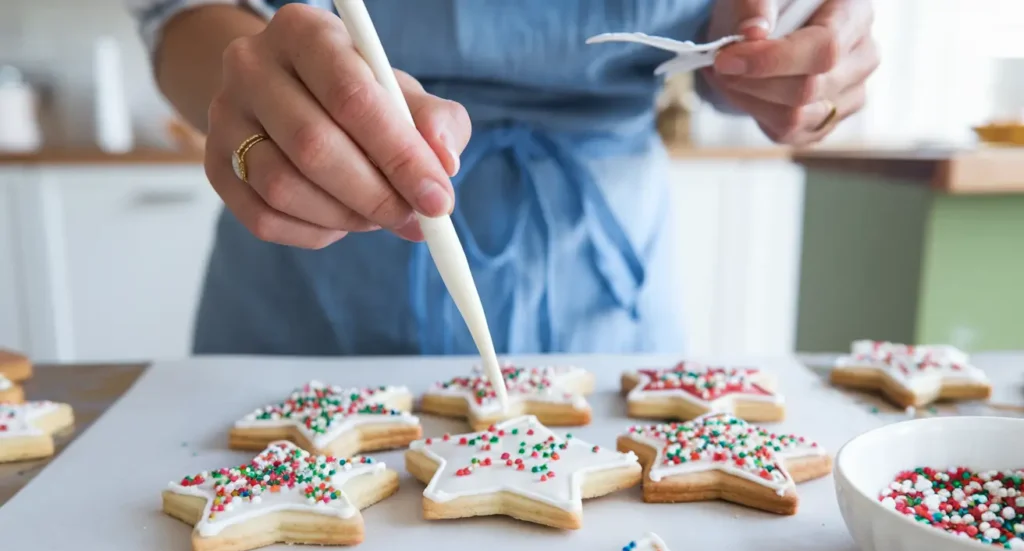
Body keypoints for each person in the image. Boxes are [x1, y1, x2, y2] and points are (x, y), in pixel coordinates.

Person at [127, 0, 877, 357]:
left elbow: (770, 30)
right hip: (313, 290)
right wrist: (258, 91)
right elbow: (181, 14)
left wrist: (796, 65)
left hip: (607, 295)